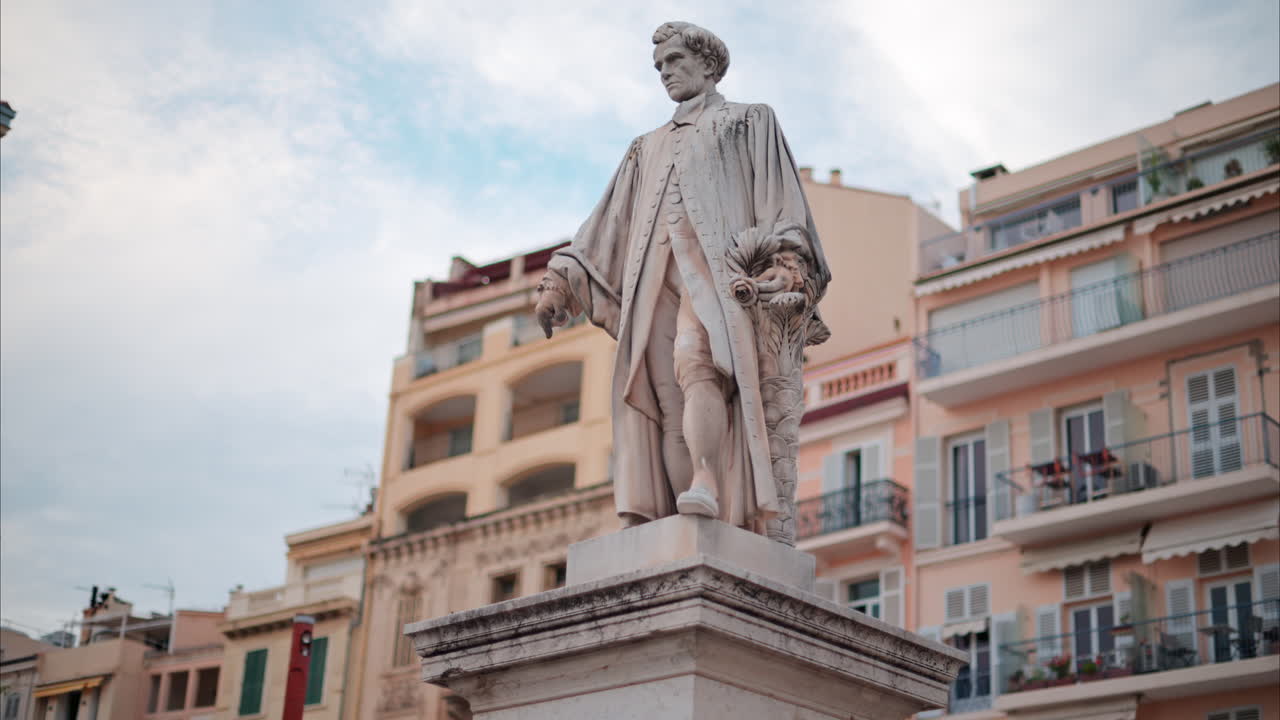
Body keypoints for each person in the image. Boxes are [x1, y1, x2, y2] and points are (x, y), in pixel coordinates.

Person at [535, 21, 829, 535]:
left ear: (709, 65)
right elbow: (605, 224)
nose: (665, 73)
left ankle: (707, 480)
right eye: (659, 67)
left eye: (674, 61)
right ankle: (672, 515)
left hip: (715, 276)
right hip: (652, 278)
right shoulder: (643, 147)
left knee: (697, 362)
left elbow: (781, 202)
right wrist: (560, 284)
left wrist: (784, 259)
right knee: (662, 396)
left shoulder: (748, 121)